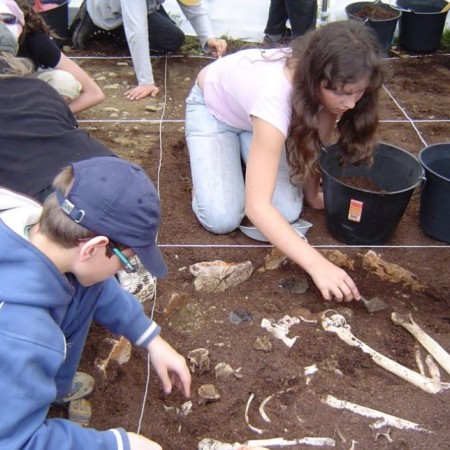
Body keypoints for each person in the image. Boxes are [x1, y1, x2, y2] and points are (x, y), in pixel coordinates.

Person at [185, 20, 386, 303]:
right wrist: (318, 265)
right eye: (340, 93)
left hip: (256, 119)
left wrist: (313, 195)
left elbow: (317, 143)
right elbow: (256, 208)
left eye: (358, 92)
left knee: (288, 210)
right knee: (221, 217)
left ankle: (242, 163)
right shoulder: (274, 97)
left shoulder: (324, 91)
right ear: (315, 77)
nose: (350, 104)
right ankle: (206, 185)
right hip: (214, 111)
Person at [0, 155, 192, 450]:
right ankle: (29, 396)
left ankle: (47, 389)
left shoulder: (29, 220)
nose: (122, 269)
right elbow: (17, 442)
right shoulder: (25, 335)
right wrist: (119, 444)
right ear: (93, 248)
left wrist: (150, 338)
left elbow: (97, 287)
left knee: (84, 285)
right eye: (127, 261)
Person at [71, 0, 228, 100]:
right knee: (133, 28)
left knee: (172, 39)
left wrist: (208, 38)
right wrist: (146, 81)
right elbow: (136, 30)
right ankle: (93, 19)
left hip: (146, 6)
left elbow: (194, 8)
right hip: (110, 11)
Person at [0, 0, 105, 114]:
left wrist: (56, 116)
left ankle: (32, 117)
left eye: (7, 19)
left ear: (21, 22)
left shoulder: (34, 38)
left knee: (64, 81)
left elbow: (94, 94)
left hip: (23, 97)